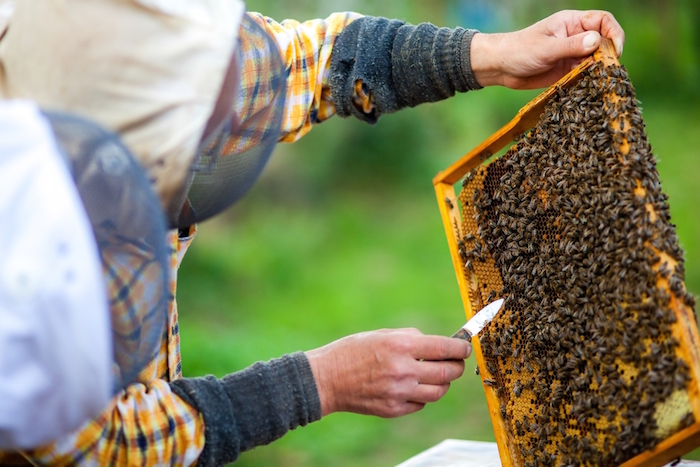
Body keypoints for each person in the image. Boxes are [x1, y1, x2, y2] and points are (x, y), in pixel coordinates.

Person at [0, 1, 625, 465]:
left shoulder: (118, 43)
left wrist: (491, 54)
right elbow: (98, 444)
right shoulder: (24, 259)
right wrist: (322, 381)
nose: (227, 129)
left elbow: (315, 60)